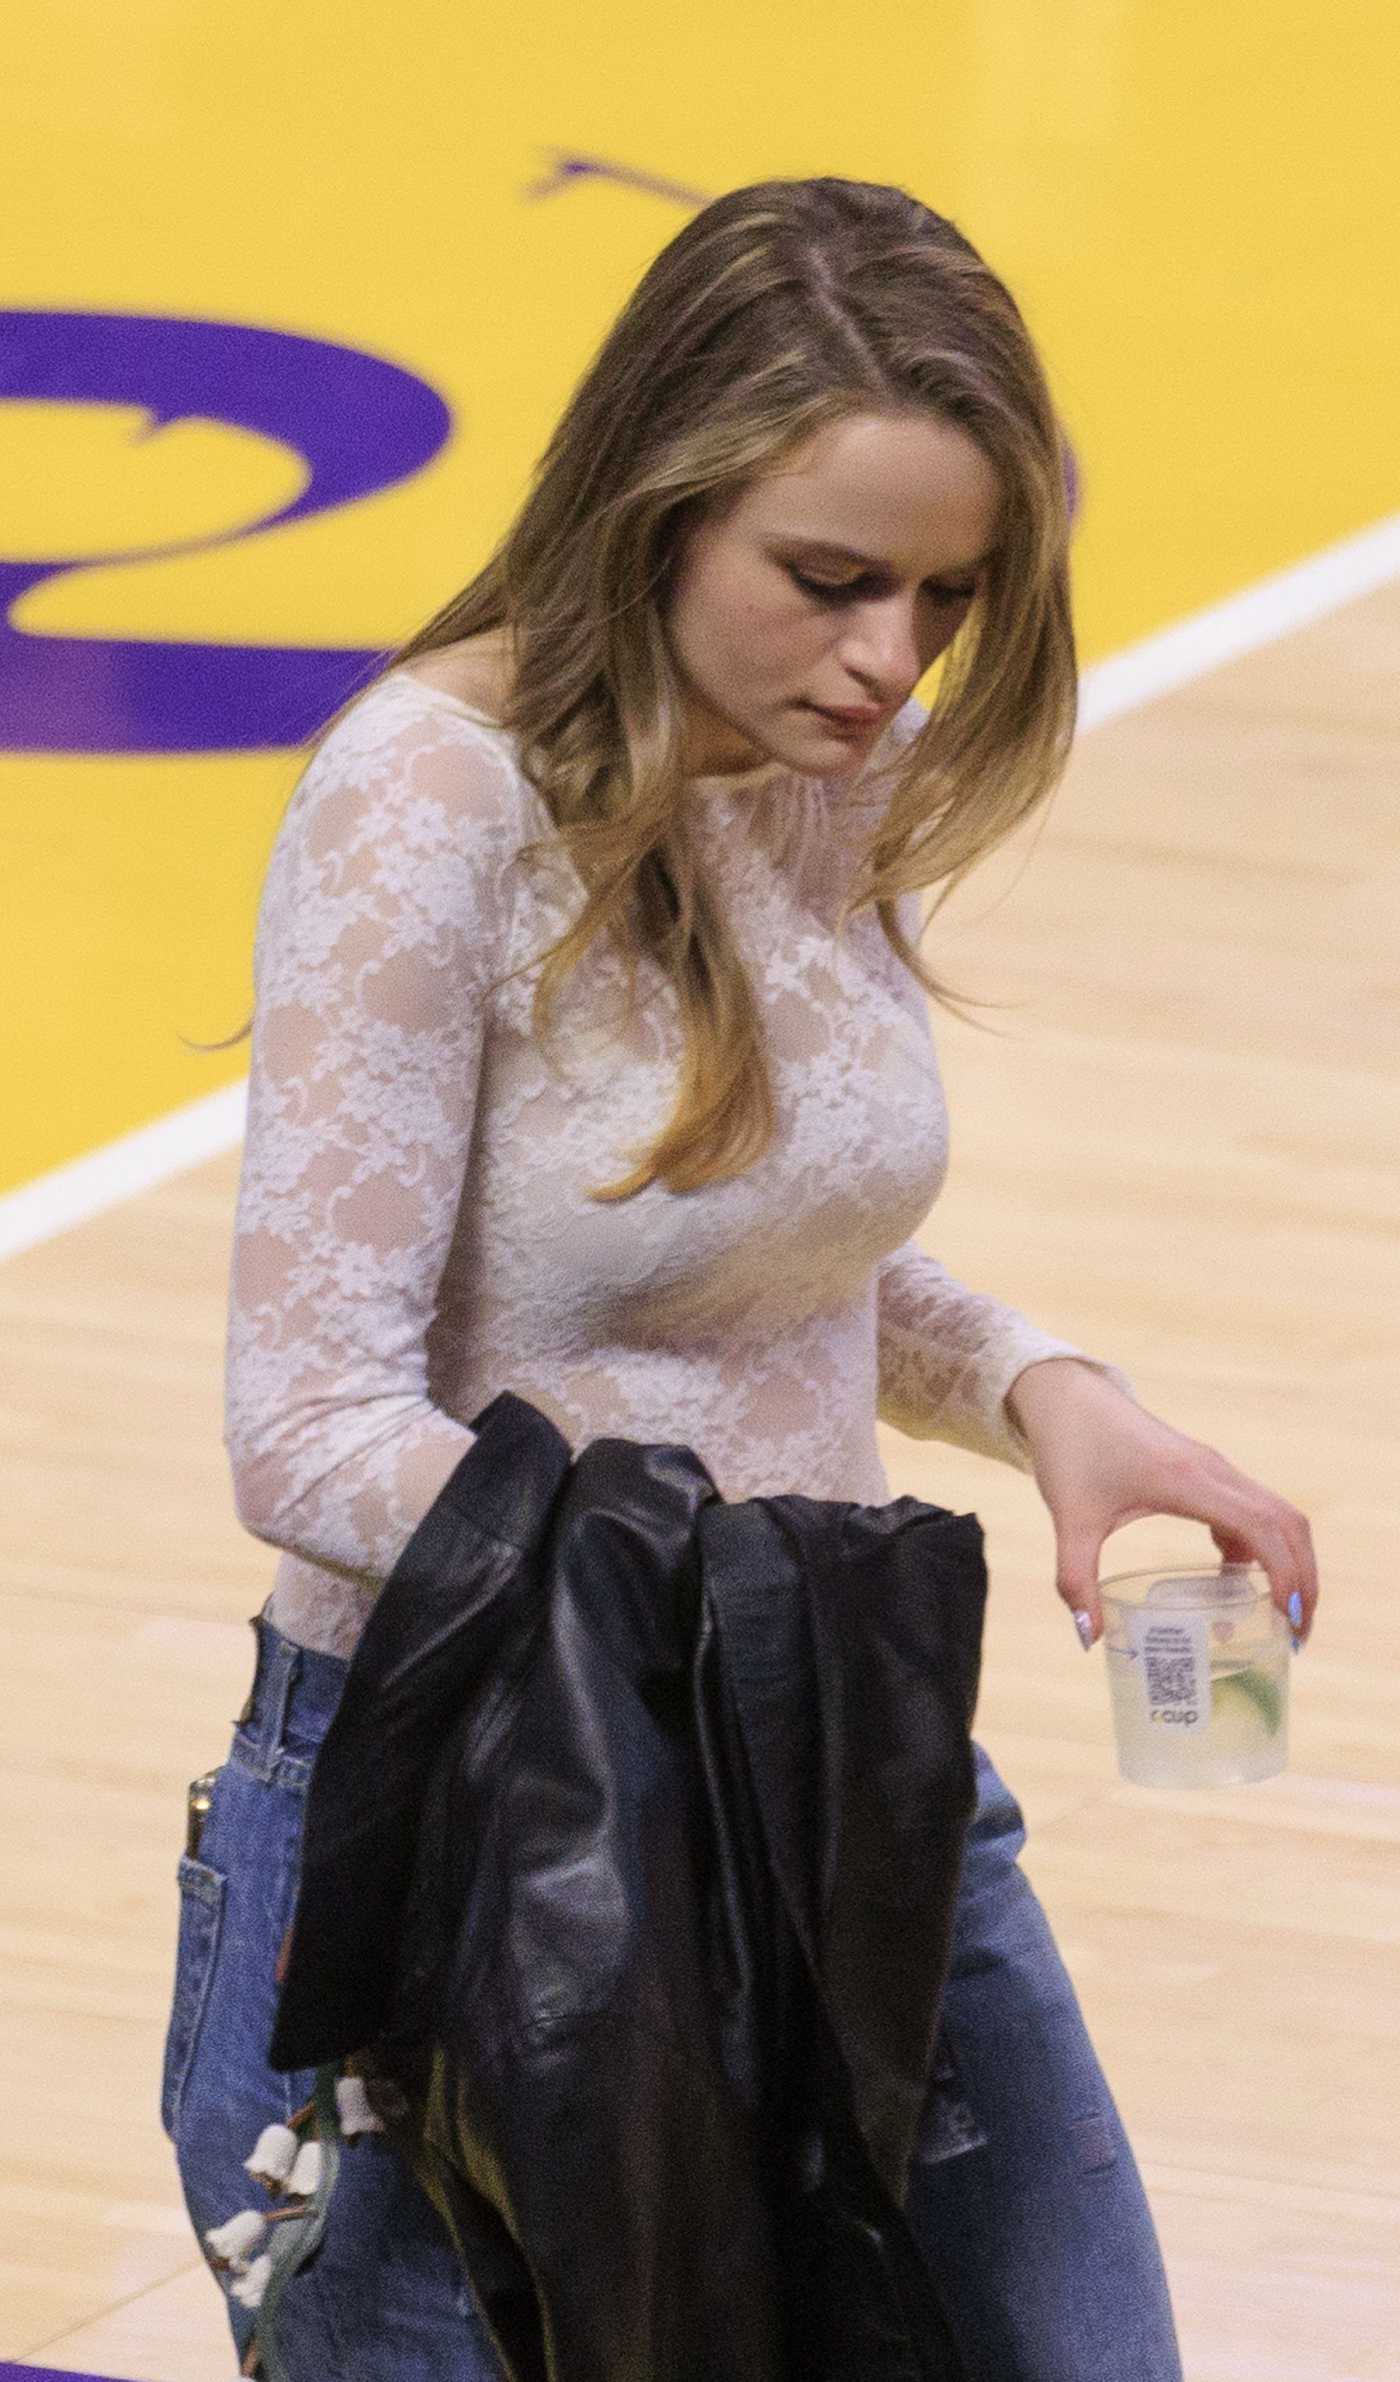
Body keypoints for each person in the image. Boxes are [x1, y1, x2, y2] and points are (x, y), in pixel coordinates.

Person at [161, 174, 1319, 2381]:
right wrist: (712, 1602)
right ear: (656, 504)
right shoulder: (426, 799)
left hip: (826, 1758)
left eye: (945, 598)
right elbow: (306, 1431)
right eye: (829, 582)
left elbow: (753, 1253)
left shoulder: (813, 768)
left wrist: (1048, 1390)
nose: (889, 664)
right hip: (475, 1829)